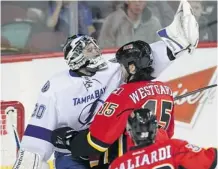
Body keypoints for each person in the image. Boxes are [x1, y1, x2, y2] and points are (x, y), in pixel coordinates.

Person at [13, 0, 199, 169]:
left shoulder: (112, 70)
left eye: (95, 46)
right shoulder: (55, 87)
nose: (96, 51)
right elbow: (39, 131)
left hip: (102, 147)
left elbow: (145, 60)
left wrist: (177, 43)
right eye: (89, 49)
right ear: (75, 57)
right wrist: (31, 158)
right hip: (73, 154)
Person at [109, 108, 217, 169]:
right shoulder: (174, 147)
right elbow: (209, 159)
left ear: (129, 131)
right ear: (156, 128)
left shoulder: (118, 165)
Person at [98, 1, 162, 48]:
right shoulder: (112, 21)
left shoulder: (154, 24)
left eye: (141, 0)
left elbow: (159, 49)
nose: (137, 3)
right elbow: (105, 49)